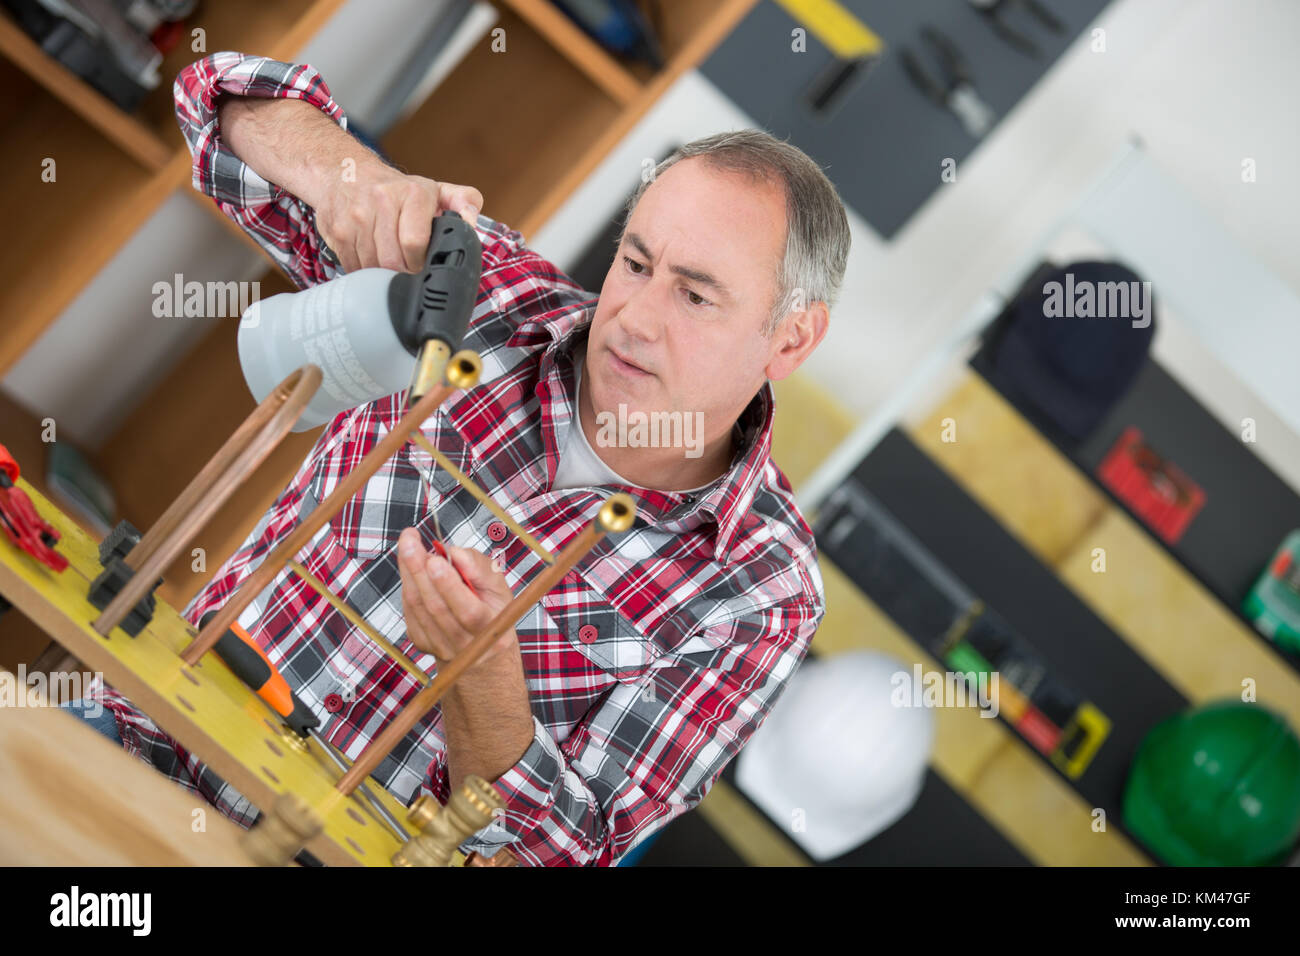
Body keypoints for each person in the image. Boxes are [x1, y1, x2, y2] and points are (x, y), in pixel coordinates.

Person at [79, 50, 851, 866]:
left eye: (695, 295)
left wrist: (481, 676)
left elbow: (564, 851)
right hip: (140, 734)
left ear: (790, 338)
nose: (634, 317)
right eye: (635, 262)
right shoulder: (484, 294)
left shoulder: (761, 593)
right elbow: (218, 99)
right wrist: (355, 179)